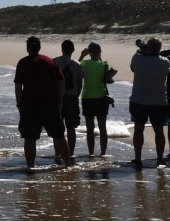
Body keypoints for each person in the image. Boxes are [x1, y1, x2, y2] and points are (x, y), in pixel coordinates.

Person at [14, 36, 71, 169]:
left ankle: (30, 167)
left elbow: (18, 86)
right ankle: (68, 165)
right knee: (58, 135)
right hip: (50, 105)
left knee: (30, 138)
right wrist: (60, 100)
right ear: (39, 47)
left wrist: (19, 104)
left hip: (30, 106)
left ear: (27, 48)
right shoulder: (49, 61)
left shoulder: (23, 62)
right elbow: (61, 81)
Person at [129, 37, 170, 166]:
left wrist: (142, 52)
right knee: (159, 131)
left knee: (138, 128)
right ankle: (159, 158)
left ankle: (138, 157)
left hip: (139, 99)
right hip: (159, 101)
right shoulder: (165, 62)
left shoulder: (137, 57)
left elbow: (133, 68)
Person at [78, 42, 109, 156]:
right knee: (102, 128)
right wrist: (99, 58)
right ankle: (103, 153)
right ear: (100, 52)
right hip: (102, 98)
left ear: (90, 53)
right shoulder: (105, 65)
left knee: (90, 129)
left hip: (88, 98)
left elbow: (76, 67)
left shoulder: (85, 63)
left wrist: (82, 55)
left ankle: (91, 153)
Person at [54, 39, 83, 158]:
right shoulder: (77, 65)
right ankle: (70, 153)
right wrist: (76, 95)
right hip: (72, 98)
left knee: (57, 129)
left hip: (57, 98)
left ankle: (57, 154)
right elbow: (80, 83)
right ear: (73, 50)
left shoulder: (54, 62)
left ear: (62, 49)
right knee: (71, 128)